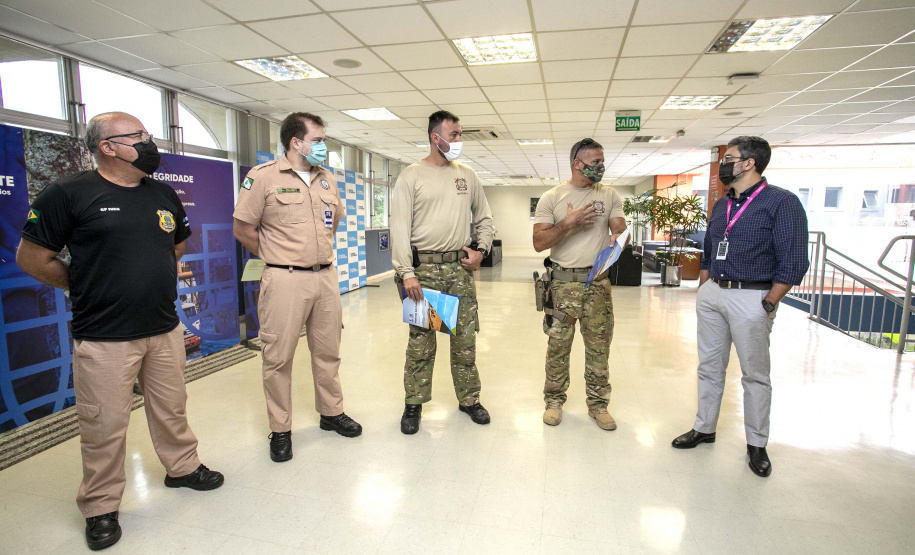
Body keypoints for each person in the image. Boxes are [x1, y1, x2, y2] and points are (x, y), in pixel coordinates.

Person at [16, 112, 224, 551]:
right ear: (107, 147)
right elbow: (32, 258)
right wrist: (84, 283)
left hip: (163, 328)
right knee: (104, 425)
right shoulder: (68, 193)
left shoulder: (162, 193)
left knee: (172, 409)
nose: (149, 143)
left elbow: (176, 244)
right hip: (104, 335)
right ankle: (100, 506)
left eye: (148, 134)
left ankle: (183, 468)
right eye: (138, 136)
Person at [671, 136, 809, 478]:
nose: (724, 164)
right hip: (714, 294)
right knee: (709, 367)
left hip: (753, 296)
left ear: (749, 163)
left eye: (729, 158)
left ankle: (756, 444)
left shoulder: (782, 202)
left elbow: (794, 260)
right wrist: (704, 290)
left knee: (754, 375)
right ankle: (704, 427)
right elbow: (710, 249)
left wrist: (769, 303)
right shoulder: (723, 204)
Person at [233, 112, 361, 463]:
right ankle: (280, 429)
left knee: (328, 351)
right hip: (284, 279)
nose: (323, 146)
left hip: (325, 277)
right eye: (317, 140)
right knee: (278, 358)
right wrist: (276, 256)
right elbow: (243, 228)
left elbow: (333, 223)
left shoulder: (326, 178)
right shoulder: (263, 177)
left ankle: (331, 413)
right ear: (296, 142)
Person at [391, 110, 495, 434]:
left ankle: (469, 400)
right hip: (424, 273)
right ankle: (414, 403)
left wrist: (481, 250)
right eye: (454, 135)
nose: (460, 140)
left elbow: (485, 219)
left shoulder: (467, 175)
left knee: (465, 342)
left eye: (460, 134)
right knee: (421, 345)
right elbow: (399, 228)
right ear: (436, 138)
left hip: (458, 270)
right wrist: (406, 272)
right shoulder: (411, 176)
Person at [533, 138, 626, 431]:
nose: (601, 167)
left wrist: (619, 236)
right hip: (562, 286)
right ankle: (554, 402)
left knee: (599, 348)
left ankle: (598, 405)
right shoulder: (552, 197)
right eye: (595, 162)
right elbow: (538, 243)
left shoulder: (609, 195)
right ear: (577, 163)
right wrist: (568, 223)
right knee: (558, 348)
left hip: (597, 285)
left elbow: (619, 230)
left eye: (602, 161)